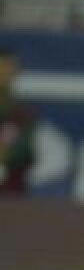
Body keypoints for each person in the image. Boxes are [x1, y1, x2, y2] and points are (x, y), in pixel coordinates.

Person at [0, 48, 37, 195]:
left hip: (11, 188)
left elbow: (23, 151)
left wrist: (4, 157)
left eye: (10, 68)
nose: (4, 73)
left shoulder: (22, 114)